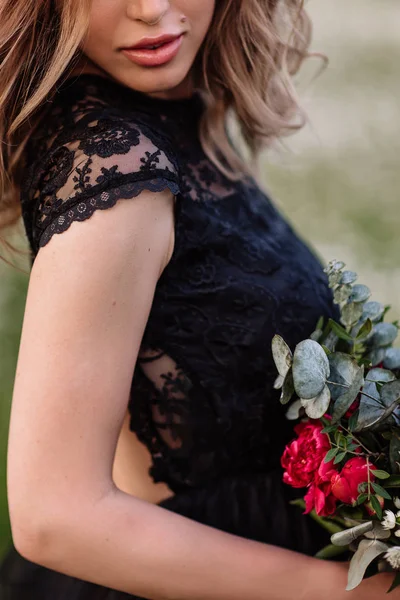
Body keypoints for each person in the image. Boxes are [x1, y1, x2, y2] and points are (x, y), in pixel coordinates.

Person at [0, 1, 394, 599]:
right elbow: (54, 516)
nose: (151, 9)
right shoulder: (116, 168)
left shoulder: (176, 111)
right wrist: (353, 594)